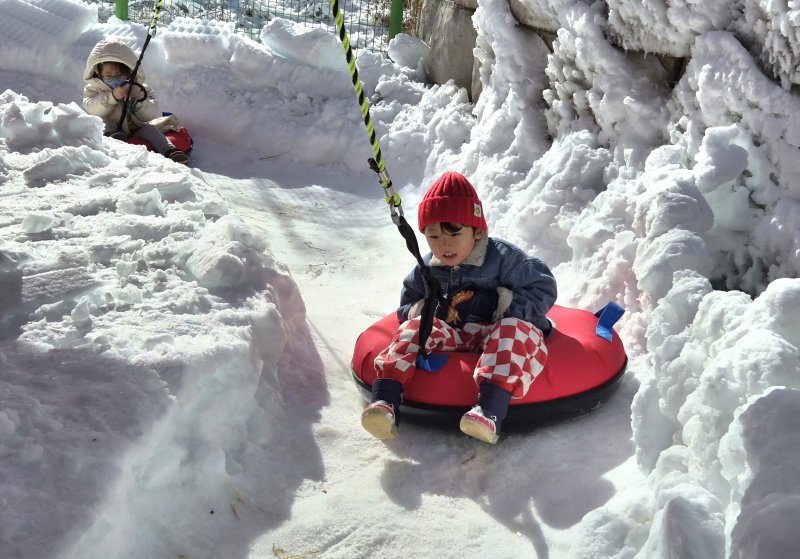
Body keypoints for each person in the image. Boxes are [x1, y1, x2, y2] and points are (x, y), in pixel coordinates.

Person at [361, 171, 557, 444]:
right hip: (455, 335)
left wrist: (501, 304)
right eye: (433, 235)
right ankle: (386, 402)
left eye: (454, 232)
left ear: (477, 230)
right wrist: (428, 311)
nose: (445, 244)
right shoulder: (426, 268)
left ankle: (489, 411)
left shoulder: (503, 258)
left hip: (500, 332)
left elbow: (543, 287)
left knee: (512, 330)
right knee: (414, 328)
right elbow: (405, 308)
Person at [83, 37, 189, 164]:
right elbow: (92, 108)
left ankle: (170, 151)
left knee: (151, 130)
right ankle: (113, 140)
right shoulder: (93, 89)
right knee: (105, 125)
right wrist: (112, 97)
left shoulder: (140, 89)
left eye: (119, 75)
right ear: (98, 74)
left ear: (129, 73)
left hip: (136, 127)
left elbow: (151, 113)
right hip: (112, 127)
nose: (114, 79)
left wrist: (139, 101)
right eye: (109, 76)